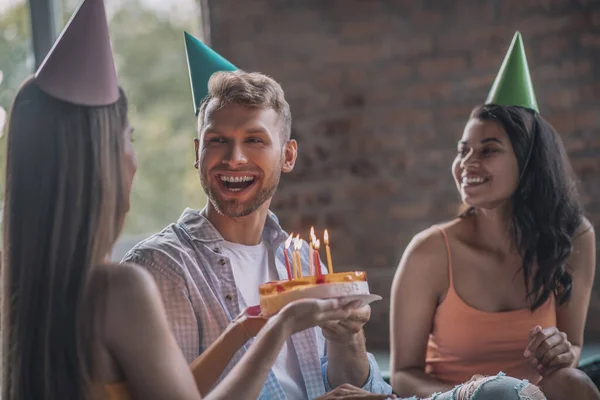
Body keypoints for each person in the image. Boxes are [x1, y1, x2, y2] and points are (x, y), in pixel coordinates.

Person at [0, 1, 367, 399]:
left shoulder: (35, 288)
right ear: (100, 161)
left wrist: (250, 325)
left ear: (288, 154)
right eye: (130, 138)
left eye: (255, 140)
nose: (134, 158)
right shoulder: (125, 285)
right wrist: (280, 326)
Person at [121, 31, 393, 400]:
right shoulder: (162, 269)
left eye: (254, 140)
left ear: (288, 155)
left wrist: (348, 338)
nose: (234, 158)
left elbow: (353, 385)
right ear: (198, 152)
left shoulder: (301, 259)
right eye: (218, 140)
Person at [390, 32, 600, 400]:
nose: (467, 163)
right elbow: (403, 375)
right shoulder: (429, 252)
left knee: (574, 383)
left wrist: (562, 353)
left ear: (529, 163)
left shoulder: (575, 237)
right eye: (462, 150)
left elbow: (574, 348)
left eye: (488, 150)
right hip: (456, 398)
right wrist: (475, 393)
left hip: (538, 396)